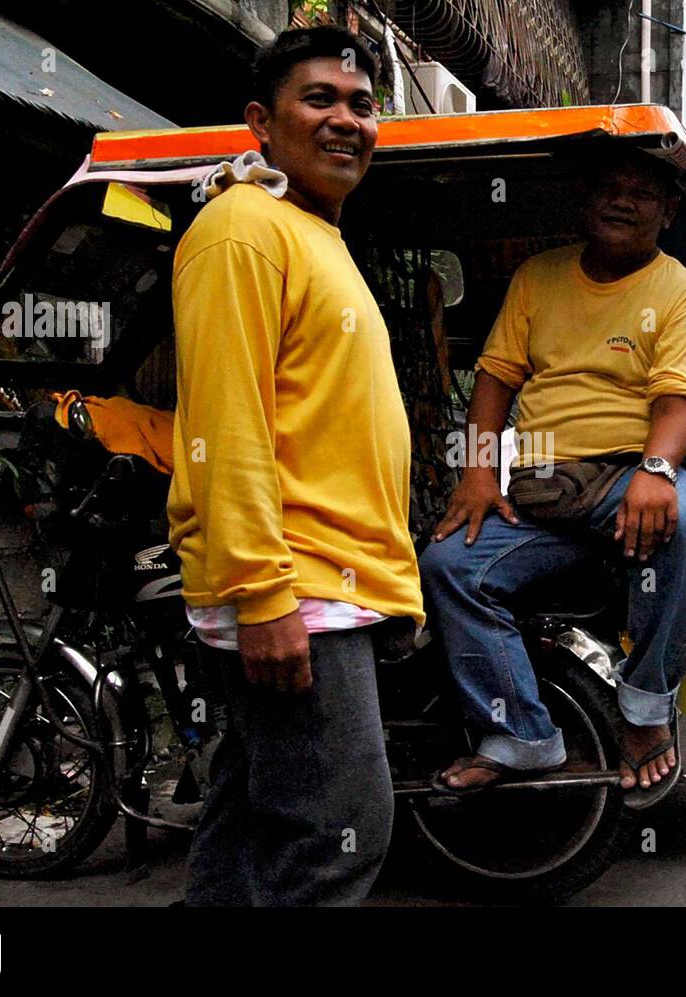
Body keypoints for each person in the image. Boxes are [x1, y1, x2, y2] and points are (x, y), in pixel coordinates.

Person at [167, 26, 423, 905]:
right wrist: (263, 595)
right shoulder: (242, 230)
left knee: (248, 828)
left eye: (362, 104)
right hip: (296, 589)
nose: (346, 120)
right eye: (319, 100)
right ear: (261, 123)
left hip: (322, 583)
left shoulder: (306, 231)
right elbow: (226, 427)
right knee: (338, 835)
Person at [418, 148, 686, 804]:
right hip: (543, 490)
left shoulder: (675, 289)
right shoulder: (538, 276)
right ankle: (520, 735)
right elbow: (495, 379)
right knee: (448, 563)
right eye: (608, 186)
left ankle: (644, 712)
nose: (622, 201)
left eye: (641, 193)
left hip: (628, 477)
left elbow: (678, 401)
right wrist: (477, 475)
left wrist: (657, 468)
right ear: (585, 201)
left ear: (667, 210)